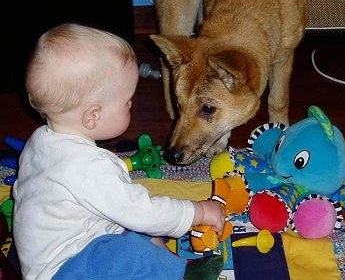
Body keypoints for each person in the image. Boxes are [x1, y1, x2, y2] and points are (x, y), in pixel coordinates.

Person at [12, 23, 226, 280]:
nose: (131, 104)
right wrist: (198, 211)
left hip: (63, 251)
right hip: (67, 271)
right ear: (93, 116)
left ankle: (155, 257)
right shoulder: (89, 170)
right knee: (133, 249)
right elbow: (142, 212)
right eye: (126, 101)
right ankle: (184, 275)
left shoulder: (40, 140)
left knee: (141, 230)